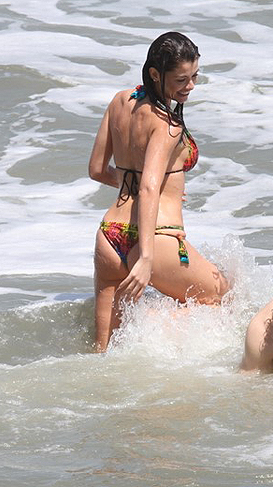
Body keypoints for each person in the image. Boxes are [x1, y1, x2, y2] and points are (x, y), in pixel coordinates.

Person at [88, 32, 229, 352]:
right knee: (222, 297)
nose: (190, 86)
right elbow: (150, 186)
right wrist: (147, 258)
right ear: (155, 74)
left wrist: (147, 188)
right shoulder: (167, 124)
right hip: (156, 237)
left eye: (195, 76)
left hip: (110, 235)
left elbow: (97, 169)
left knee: (104, 352)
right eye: (181, 79)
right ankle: (150, 322)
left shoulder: (119, 101)